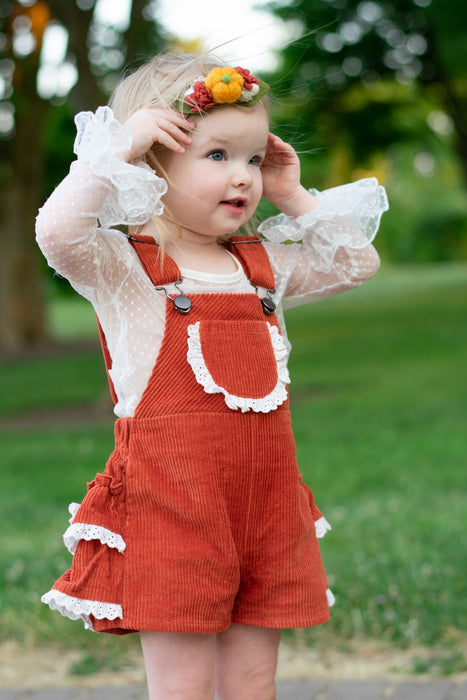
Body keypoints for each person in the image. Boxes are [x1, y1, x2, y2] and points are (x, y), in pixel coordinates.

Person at [36, 52, 388, 700]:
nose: (244, 178)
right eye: (218, 156)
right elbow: (57, 231)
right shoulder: (125, 268)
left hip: (263, 511)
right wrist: (118, 147)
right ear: (152, 162)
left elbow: (355, 264)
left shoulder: (263, 269)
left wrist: (292, 193)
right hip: (172, 514)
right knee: (183, 691)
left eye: (253, 159)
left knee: (254, 686)